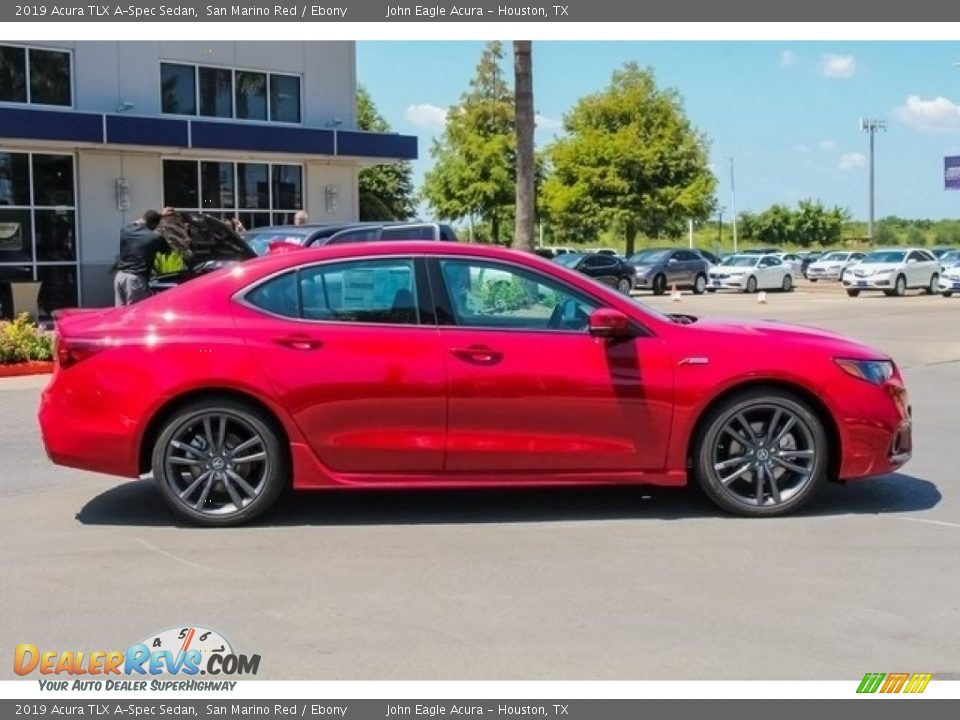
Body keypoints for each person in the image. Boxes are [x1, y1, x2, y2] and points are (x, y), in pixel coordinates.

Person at [113, 210, 166, 306]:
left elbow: (138, 222)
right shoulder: (154, 237)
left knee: (121, 313)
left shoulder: (126, 229)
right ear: (154, 224)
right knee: (136, 311)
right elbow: (166, 250)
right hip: (135, 280)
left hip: (120, 277)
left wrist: (159, 215)